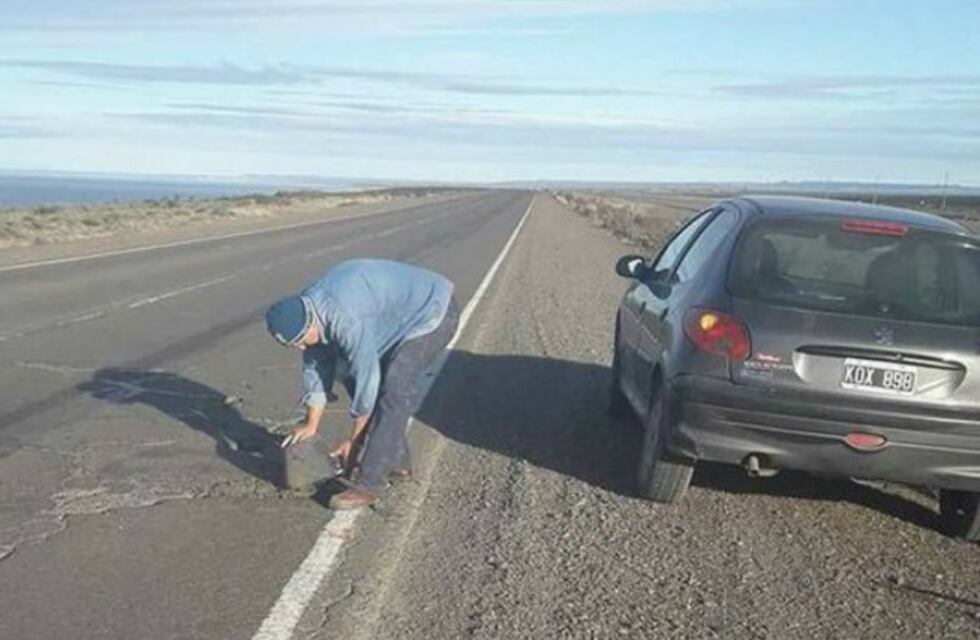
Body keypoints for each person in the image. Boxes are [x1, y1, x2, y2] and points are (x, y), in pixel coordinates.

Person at [265, 258, 458, 510]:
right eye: (293, 345)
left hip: (431, 310)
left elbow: (368, 380)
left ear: (310, 323)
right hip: (392, 316)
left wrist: (354, 446)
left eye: (301, 340)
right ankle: (397, 464)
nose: (301, 347)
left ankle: (370, 483)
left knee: (394, 389)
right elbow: (314, 367)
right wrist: (310, 424)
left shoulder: (345, 319)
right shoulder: (307, 313)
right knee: (352, 376)